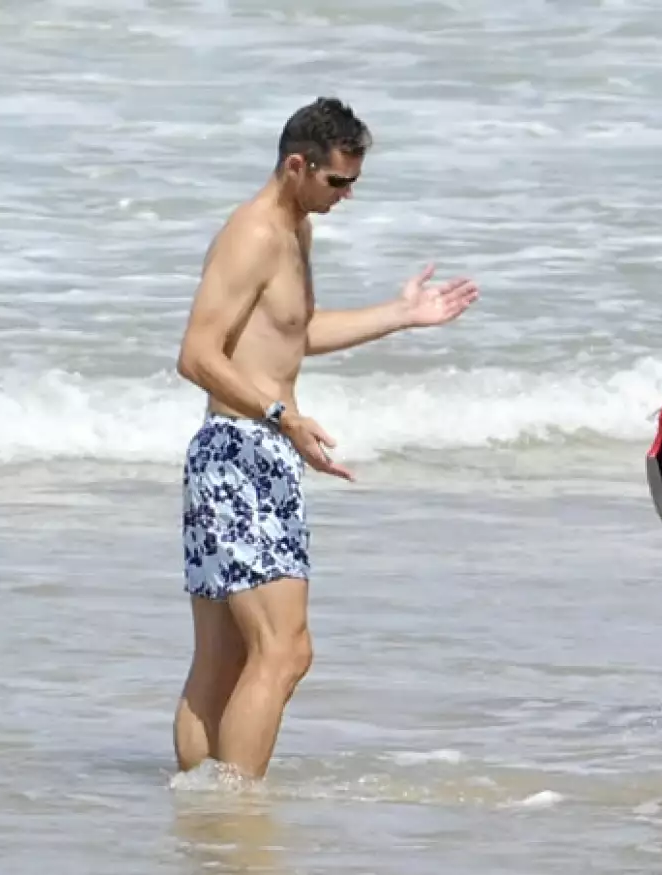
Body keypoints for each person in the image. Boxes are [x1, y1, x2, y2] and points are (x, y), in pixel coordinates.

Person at [172, 96, 479, 779]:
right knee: (285, 651)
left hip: (246, 448)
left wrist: (400, 314)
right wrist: (281, 416)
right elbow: (195, 354)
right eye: (338, 180)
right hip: (239, 452)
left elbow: (292, 333)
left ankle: (200, 807)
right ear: (296, 166)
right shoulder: (254, 234)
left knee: (227, 657)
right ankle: (236, 807)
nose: (346, 195)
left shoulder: (295, 229)